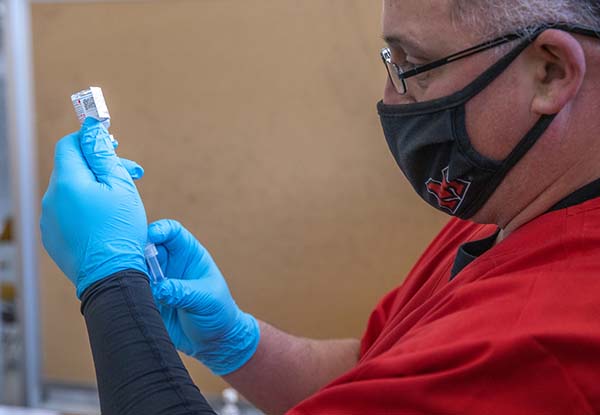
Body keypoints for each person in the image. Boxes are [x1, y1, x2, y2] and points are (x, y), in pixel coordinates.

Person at [40, 1, 600, 414]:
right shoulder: (508, 209)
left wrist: (110, 280)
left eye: (415, 65)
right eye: (390, 57)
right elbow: (375, 368)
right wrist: (238, 342)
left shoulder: (542, 345)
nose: (389, 97)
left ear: (550, 70)